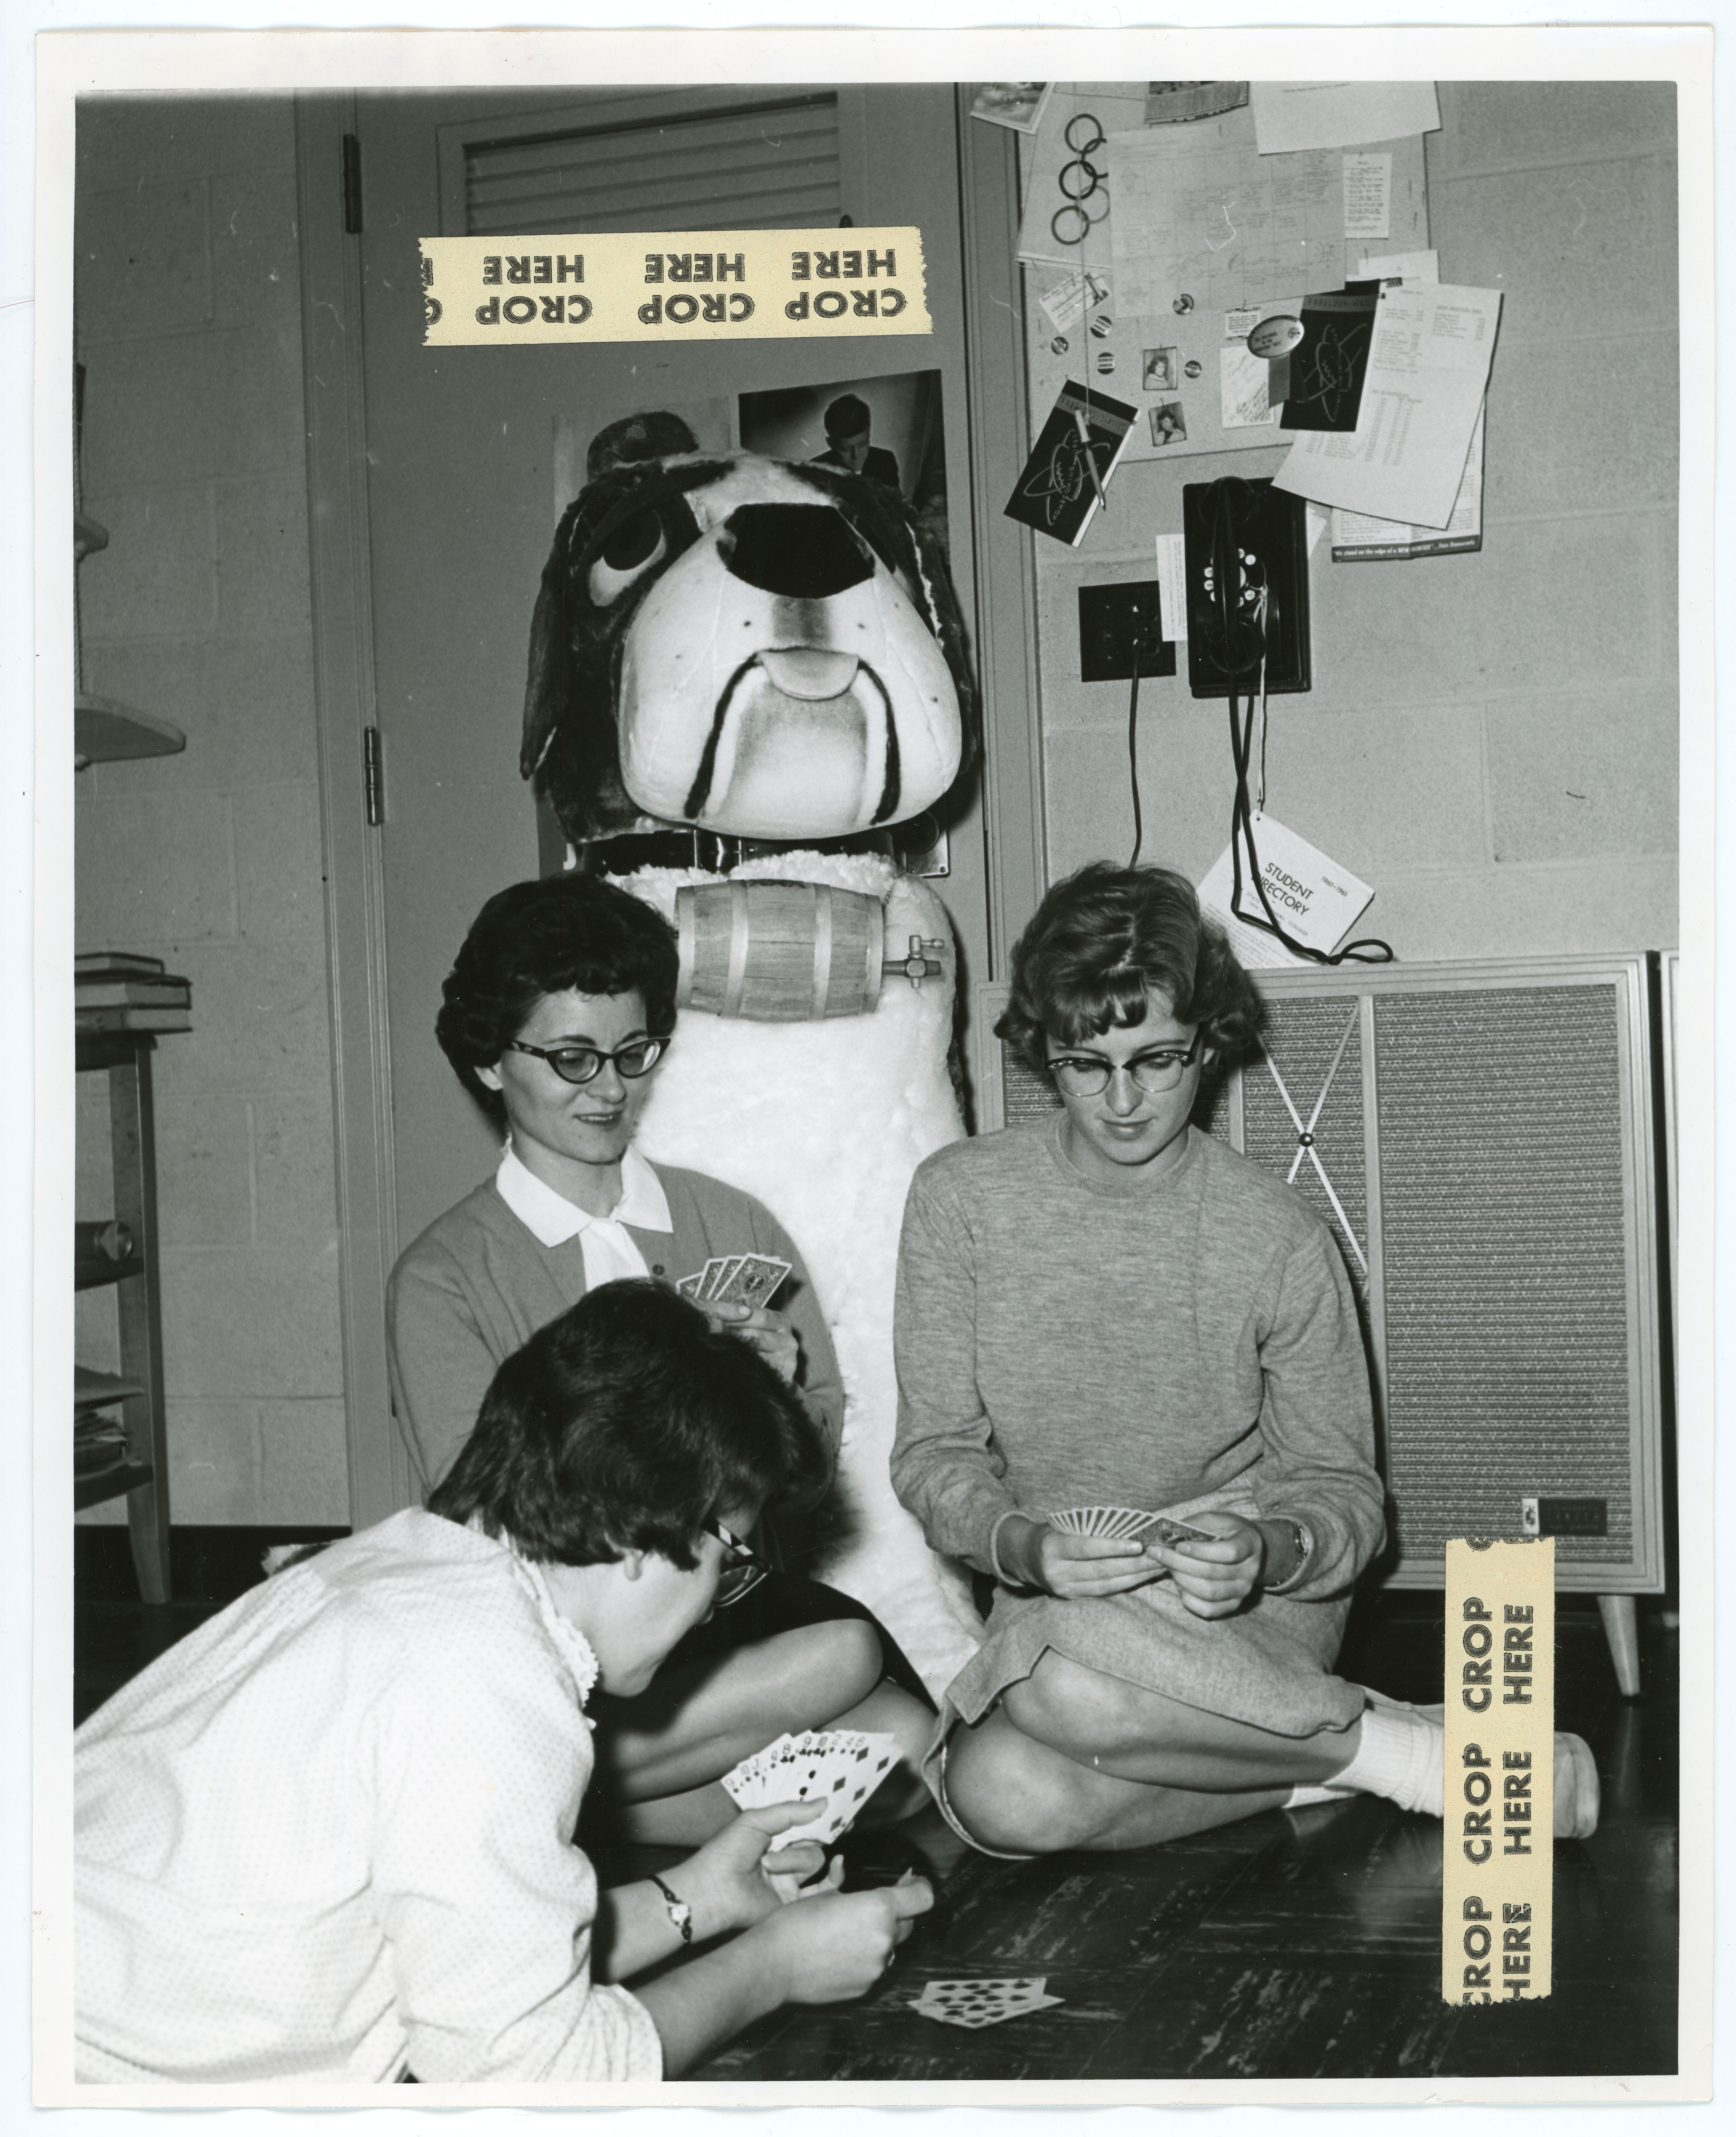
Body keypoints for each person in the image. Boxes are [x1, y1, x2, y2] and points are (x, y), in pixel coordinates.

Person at [889, 861, 1600, 1856]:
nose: (1125, 1099)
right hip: (1060, 1597)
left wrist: (1267, 1549)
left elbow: (1345, 1497)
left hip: (1244, 1609)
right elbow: (935, 1456)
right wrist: (1021, 1546)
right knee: (999, 1798)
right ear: (1043, 1047)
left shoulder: (1278, 1235)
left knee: (1059, 1686)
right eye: (1086, 1064)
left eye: (1159, 1059)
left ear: (1210, 1041)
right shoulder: (959, 1200)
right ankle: (1382, 1751)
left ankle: (1411, 1767)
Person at [76, 1283, 936, 2083]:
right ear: (654, 1533)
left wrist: (700, 1899)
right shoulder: (490, 1685)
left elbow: (450, 1949)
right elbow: (529, 2086)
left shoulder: (398, 1566)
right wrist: (771, 1968)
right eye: (731, 1555)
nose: (717, 1602)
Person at [387, 872, 934, 1840]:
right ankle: (522, 1772)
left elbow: (808, 1485)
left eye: (635, 1054)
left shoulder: (732, 1219)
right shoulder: (444, 1275)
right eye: (571, 1058)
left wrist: (778, 1398)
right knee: (845, 1663)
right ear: (487, 1061)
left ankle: (556, 1811)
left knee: (906, 1744)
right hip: (570, 1639)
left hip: (719, 1606)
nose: (610, 1089)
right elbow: (487, 1531)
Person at [812, 392, 901, 492]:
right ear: (831, 443)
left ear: (869, 435)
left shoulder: (885, 460)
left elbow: (898, 505)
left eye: (863, 444)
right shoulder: (814, 472)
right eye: (846, 449)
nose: (856, 456)